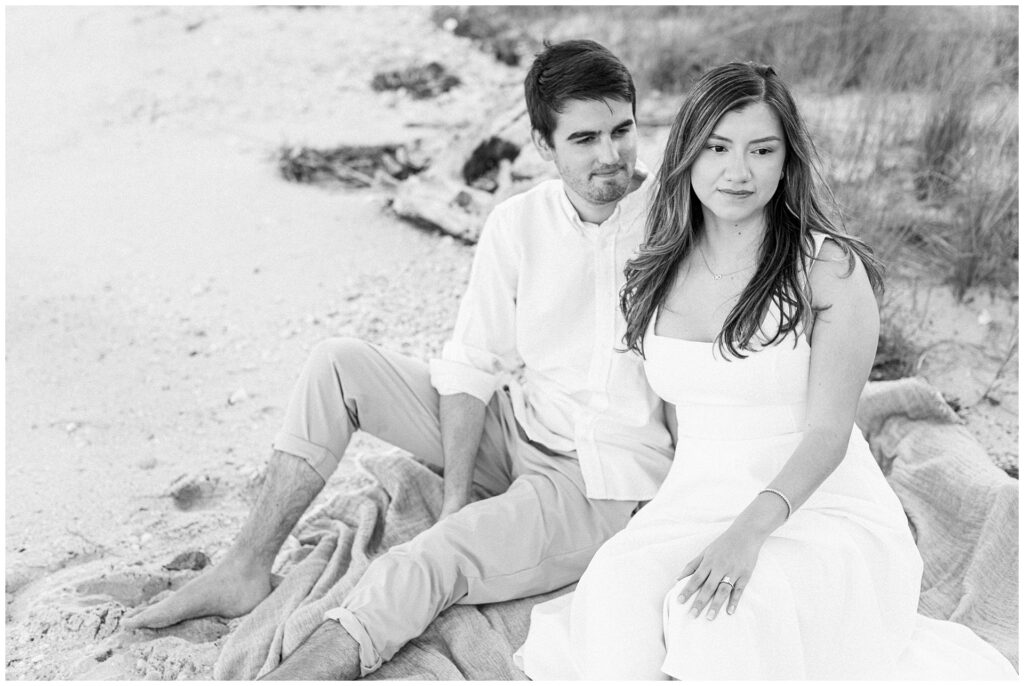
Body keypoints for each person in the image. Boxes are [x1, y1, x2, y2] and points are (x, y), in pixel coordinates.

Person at [123, 39, 674, 679]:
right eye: (585, 139)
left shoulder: (676, 215)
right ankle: (245, 567)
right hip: (519, 424)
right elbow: (471, 366)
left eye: (622, 130)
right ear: (543, 145)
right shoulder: (517, 223)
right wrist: (456, 498)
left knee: (422, 563)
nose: (611, 157)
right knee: (339, 364)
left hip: (600, 481)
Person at [516, 62, 1017, 680]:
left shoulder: (826, 269)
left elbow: (828, 435)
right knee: (613, 600)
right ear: (688, 154)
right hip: (693, 499)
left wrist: (747, 533)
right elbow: (681, 408)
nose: (738, 170)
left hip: (817, 507)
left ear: (786, 162)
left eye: (762, 149)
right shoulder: (656, 265)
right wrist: (662, 505)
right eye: (718, 147)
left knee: (717, 620)